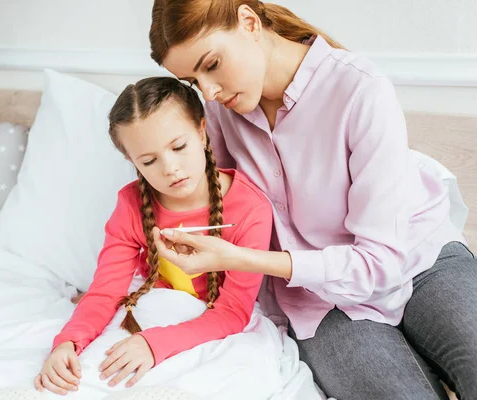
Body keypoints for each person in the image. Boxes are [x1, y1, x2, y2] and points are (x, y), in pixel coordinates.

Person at [148, 1, 477, 399]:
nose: (210, 91)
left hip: (418, 260)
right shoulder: (219, 113)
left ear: (249, 22)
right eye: (193, 81)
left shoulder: (360, 87)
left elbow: (379, 262)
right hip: (317, 302)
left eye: (212, 64)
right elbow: (212, 202)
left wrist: (238, 258)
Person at [33, 76, 274, 395]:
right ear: (132, 161)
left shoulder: (251, 209)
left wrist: (155, 344)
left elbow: (233, 311)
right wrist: (67, 342)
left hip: (210, 325)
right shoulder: (131, 205)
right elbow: (106, 291)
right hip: (150, 306)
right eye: (149, 161)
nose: (171, 168)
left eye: (178, 147)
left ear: (201, 132)